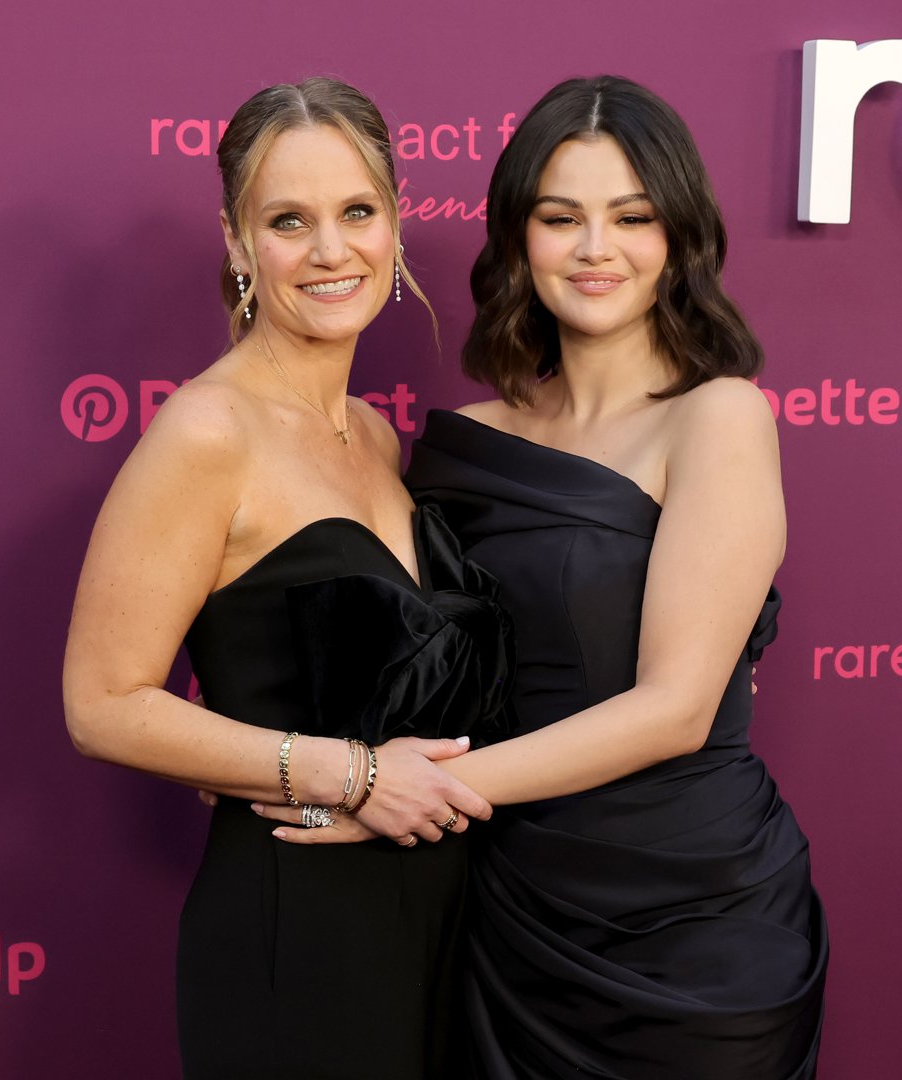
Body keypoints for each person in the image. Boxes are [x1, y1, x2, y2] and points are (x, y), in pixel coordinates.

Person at [272, 76, 829, 1078]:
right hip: (505, 907)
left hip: (697, 928)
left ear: (680, 235)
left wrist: (390, 796)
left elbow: (675, 710)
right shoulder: (460, 448)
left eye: (632, 217)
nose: (594, 249)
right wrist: (268, 744)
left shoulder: (718, 416)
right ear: (518, 236)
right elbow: (413, 653)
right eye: (561, 216)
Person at [62, 78, 512, 1080]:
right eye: (288, 221)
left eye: (357, 212)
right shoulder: (206, 432)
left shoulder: (377, 438)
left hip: (439, 921)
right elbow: (101, 705)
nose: (329, 250)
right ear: (236, 241)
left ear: (396, 223)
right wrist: (347, 774)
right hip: (298, 926)